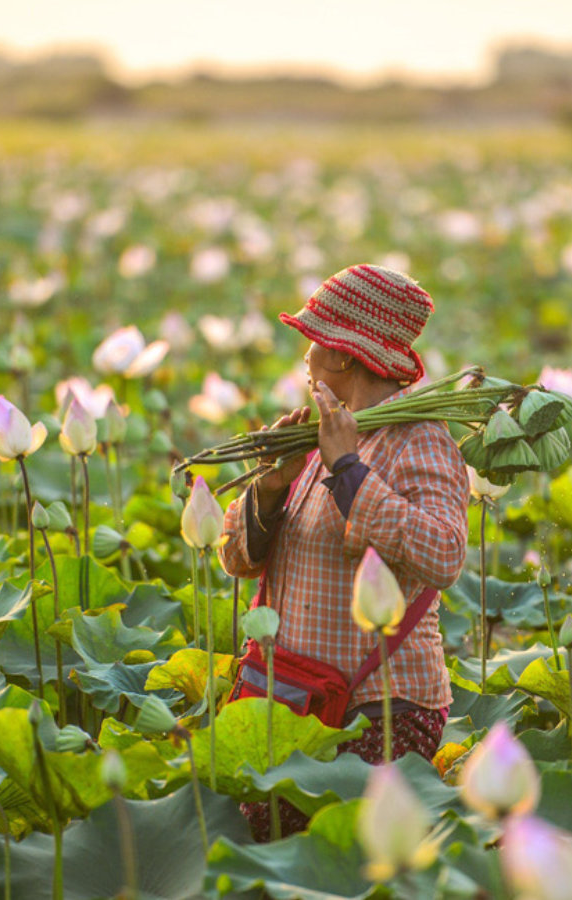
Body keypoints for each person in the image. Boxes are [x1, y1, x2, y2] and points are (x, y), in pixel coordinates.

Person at [219, 263, 469, 840]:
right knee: (266, 831)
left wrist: (348, 470)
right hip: (297, 694)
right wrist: (273, 484)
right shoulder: (319, 434)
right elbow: (235, 558)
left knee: (324, 844)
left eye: (313, 343)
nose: (304, 359)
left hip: (383, 706)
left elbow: (445, 555)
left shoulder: (421, 440)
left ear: (345, 357)